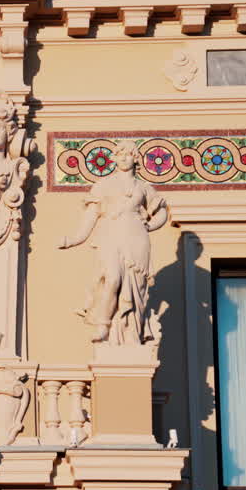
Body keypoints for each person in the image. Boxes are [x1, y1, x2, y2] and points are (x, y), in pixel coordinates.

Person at [58, 140, 169, 345]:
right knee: (112, 279)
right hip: (110, 236)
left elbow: (162, 211)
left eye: (128, 154)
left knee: (137, 288)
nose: (123, 158)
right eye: (119, 154)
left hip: (137, 240)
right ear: (115, 158)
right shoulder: (103, 186)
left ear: (135, 159)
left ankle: (133, 332)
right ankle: (103, 324)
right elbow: (91, 216)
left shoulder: (144, 188)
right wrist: (74, 239)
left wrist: (150, 226)